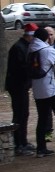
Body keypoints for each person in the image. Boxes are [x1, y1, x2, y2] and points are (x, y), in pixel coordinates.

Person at [28, 27, 55, 157]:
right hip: (52, 88)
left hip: (38, 89)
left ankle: (41, 148)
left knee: (42, 118)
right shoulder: (48, 50)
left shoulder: (31, 49)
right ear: (46, 37)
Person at [5, 23, 38, 155]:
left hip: (21, 85)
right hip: (18, 86)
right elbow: (21, 68)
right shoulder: (19, 48)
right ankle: (19, 143)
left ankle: (23, 141)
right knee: (20, 114)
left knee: (23, 114)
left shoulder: (23, 46)